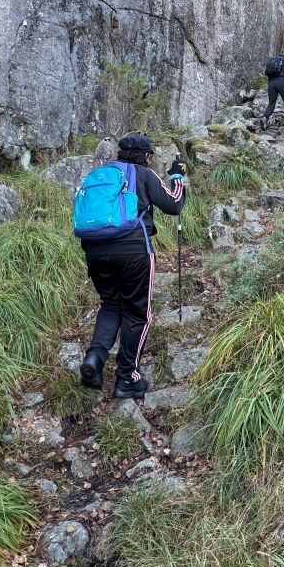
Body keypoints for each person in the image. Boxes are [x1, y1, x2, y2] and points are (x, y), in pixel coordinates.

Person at [78, 133, 186, 399]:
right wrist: (178, 177)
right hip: (133, 251)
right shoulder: (143, 174)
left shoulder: (101, 175)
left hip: (95, 249)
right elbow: (174, 205)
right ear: (146, 156)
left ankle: (95, 357)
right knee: (138, 314)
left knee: (110, 304)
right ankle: (127, 377)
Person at [260, 53, 284, 130]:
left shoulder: (275, 59)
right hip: (281, 82)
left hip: (271, 83)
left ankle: (265, 118)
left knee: (271, 103)